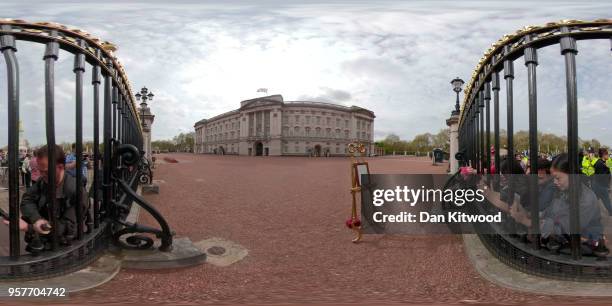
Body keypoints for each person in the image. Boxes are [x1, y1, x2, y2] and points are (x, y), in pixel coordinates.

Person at [2, 145, 89, 252]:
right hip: (41, 244)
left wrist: (29, 227)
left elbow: (67, 228)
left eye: (46, 171)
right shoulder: (43, 181)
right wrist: (37, 219)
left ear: (61, 167)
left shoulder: (76, 191)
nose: (42, 175)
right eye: (40, 170)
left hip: (64, 249)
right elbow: (27, 200)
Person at [592, 148, 612, 215]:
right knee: (606, 201)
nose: (608, 156)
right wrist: (607, 170)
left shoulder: (601, 162)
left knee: (594, 200)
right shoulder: (600, 164)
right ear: (604, 155)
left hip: (598, 186)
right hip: (600, 186)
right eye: (607, 154)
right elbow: (601, 177)